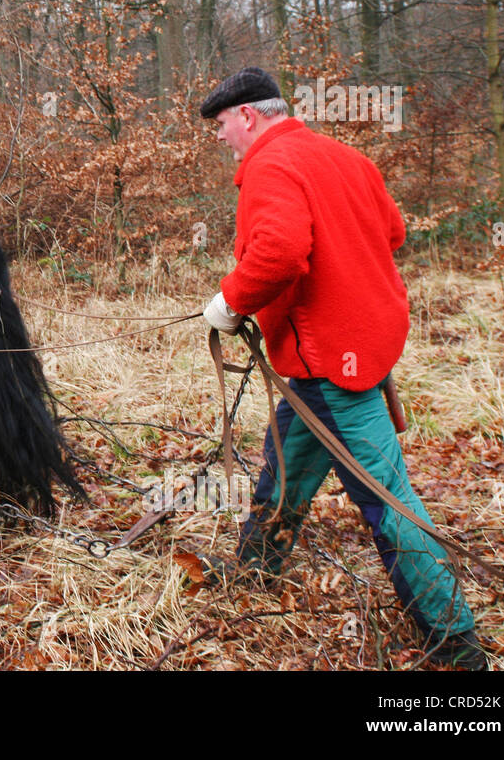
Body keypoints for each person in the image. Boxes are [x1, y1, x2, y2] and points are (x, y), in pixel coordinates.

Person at [197, 67, 485, 670]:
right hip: (345, 353)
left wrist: (230, 302)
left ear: (248, 115)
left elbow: (277, 253)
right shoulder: (345, 158)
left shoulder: (272, 167)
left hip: (331, 360)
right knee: (290, 461)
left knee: (387, 497)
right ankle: (257, 569)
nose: (221, 137)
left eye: (221, 124)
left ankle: (456, 643)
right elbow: (394, 232)